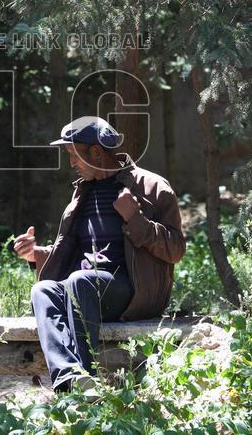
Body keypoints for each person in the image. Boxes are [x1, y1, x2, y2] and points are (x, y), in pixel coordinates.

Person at [12, 116, 186, 392]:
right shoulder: (82, 193)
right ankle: (69, 378)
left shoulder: (151, 187)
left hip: (134, 293)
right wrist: (36, 254)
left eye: (73, 154)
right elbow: (75, 249)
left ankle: (89, 376)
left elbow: (176, 249)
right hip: (86, 288)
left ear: (96, 151)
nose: (71, 163)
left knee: (80, 281)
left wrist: (136, 219)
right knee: (43, 290)